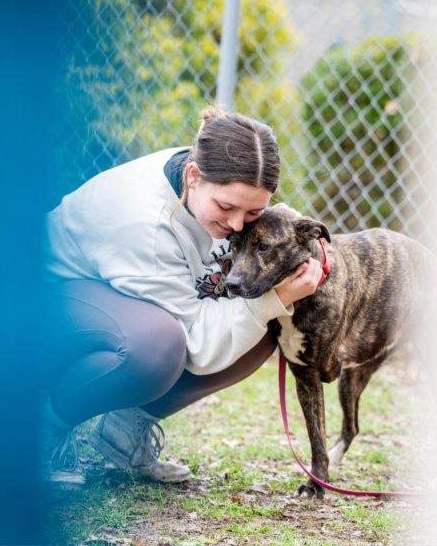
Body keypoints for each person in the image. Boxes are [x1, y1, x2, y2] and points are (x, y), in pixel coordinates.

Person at [41, 107, 323, 486]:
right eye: (226, 207)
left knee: (264, 317)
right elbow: (201, 347)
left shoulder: (210, 173)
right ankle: (42, 429)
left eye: (254, 211)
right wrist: (272, 299)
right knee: (156, 346)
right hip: (43, 302)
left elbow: (273, 232)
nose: (238, 224)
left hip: (114, 292)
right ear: (194, 176)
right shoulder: (149, 226)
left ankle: (123, 433)